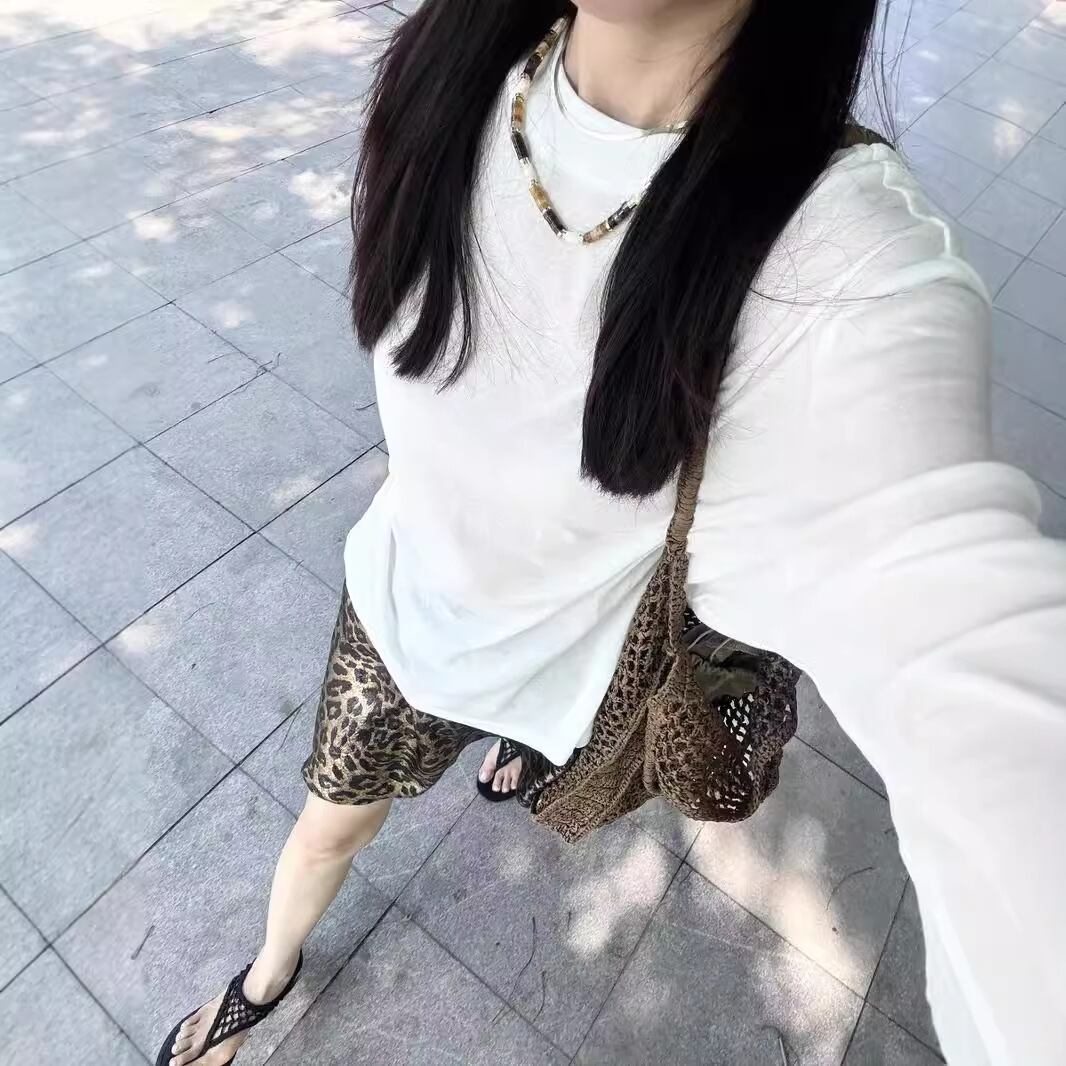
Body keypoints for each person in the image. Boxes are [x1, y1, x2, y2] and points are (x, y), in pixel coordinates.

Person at [157, 1, 1066, 1064]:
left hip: (571, 677)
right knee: (329, 826)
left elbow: (962, 644)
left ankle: (509, 746)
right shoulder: (446, 74)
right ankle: (266, 977)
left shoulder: (836, 258)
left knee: (506, 757)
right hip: (400, 624)